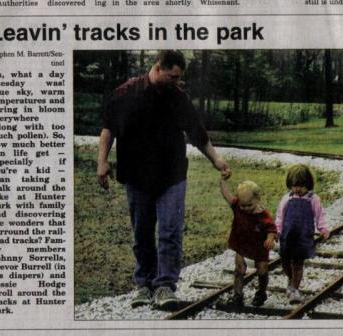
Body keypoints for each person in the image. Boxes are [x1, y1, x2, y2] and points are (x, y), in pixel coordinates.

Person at [97, 50, 231, 310]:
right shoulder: (126, 93)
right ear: (158, 68)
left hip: (171, 176)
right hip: (137, 177)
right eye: (173, 77)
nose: (177, 83)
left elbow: (197, 134)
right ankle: (144, 285)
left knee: (170, 231)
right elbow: (108, 130)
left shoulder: (178, 98)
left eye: (180, 78)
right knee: (143, 233)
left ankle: (165, 286)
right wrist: (102, 163)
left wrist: (217, 160)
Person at [275, 164, 330, 304]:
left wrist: (323, 228)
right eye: (294, 185)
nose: (297, 189)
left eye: (301, 185)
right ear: (290, 185)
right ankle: (290, 279)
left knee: (298, 264)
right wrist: (277, 230)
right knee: (285, 262)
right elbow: (280, 216)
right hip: (287, 236)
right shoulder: (287, 198)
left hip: (303, 237)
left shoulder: (313, 199)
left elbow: (320, 215)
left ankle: (294, 289)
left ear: (308, 184)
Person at [220, 177, 276, 307]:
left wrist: (270, 238)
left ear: (258, 199)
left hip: (258, 248)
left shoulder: (263, 215)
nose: (245, 208)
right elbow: (226, 195)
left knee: (262, 271)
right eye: (242, 205)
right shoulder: (237, 207)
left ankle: (261, 293)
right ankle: (237, 295)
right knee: (239, 270)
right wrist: (223, 181)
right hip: (242, 245)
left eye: (249, 205)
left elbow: (272, 229)